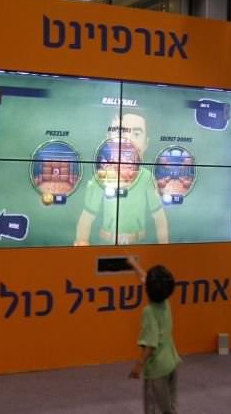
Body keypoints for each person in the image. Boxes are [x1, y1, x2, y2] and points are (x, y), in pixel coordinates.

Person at [75, 113, 168, 245]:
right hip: (105, 244)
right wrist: (81, 243)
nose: (127, 140)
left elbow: (159, 217)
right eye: (120, 132)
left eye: (136, 134)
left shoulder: (147, 178)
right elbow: (86, 217)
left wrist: (164, 247)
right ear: (108, 139)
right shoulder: (101, 177)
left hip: (139, 245)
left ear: (146, 144)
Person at [127, 256, 180, 414]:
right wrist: (135, 265)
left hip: (157, 370)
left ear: (148, 289)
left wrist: (138, 365)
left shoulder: (149, 312)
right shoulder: (165, 301)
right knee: (169, 405)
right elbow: (146, 280)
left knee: (155, 407)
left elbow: (151, 344)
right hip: (171, 362)